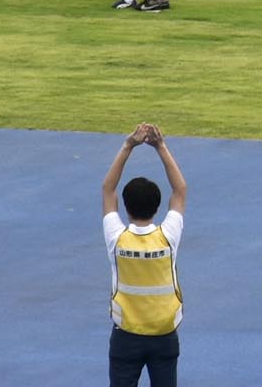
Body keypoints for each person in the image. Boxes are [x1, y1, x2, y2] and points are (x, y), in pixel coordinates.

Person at [102, 122, 188, 387]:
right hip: (164, 334)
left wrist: (129, 145)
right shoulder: (168, 237)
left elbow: (107, 191)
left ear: (124, 207)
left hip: (126, 335)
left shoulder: (117, 239)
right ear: (157, 206)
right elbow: (180, 190)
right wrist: (160, 146)